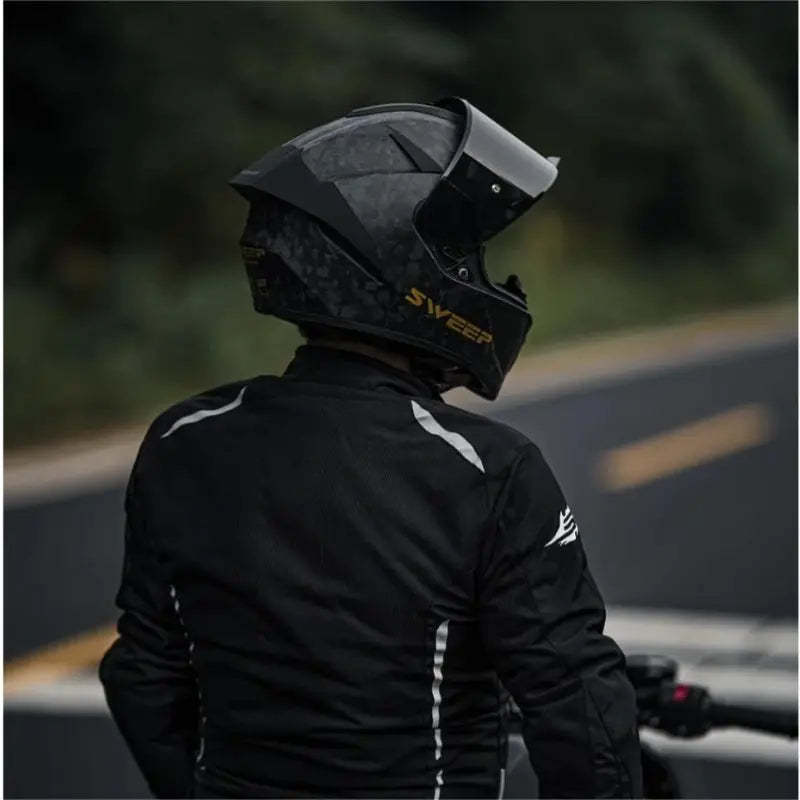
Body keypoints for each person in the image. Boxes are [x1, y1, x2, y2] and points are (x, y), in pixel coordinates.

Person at [99, 98, 642, 799]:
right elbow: (579, 706)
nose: (483, 281)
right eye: (465, 259)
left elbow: (143, 676)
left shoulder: (183, 439)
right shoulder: (486, 469)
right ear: (404, 269)